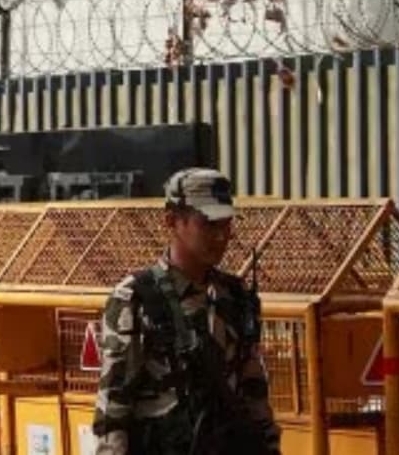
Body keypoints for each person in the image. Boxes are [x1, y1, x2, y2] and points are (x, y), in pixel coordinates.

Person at [92, 168, 279, 455]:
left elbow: (253, 392)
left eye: (226, 224)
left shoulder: (235, 296)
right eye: (208, 224)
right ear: (172, 221)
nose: (221, 235)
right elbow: (113, 410)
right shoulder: (137, 298)